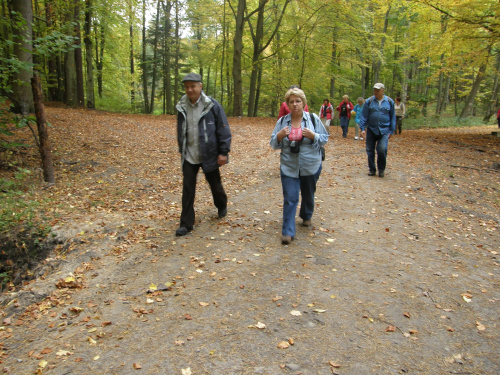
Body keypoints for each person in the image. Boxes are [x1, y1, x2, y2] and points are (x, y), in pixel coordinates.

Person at [175, 72, 232, 236]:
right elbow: (181, 129)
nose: (190, 90)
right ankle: (186, 224)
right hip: (189, 154)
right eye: (187, 87)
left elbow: (223, 129)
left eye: (193, 86)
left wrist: (223, 152)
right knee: (187, 189)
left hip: (209, 154)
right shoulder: (182, 105)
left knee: (215, 185)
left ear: (200, 86)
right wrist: (182, 147)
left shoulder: (212, 105)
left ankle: (221, 204)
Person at [270, 87, 328, 245]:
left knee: (308, 194)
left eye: (298, 101)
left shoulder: (313, 119)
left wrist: (313, 135)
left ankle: (307, 214)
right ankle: (288, 232)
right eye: (291, 101)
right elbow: (273, 143)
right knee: (290, 197)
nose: (295, 104)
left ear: (303, 103)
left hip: (310, 165)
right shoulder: (282, 121)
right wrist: (280, 136)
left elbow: (324, 138)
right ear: (287, 104)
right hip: (289, 165)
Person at [359, 83, 396, 178]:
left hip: (384, 130)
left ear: (383, 90)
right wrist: (363, 128)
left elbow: (392, 117)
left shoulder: (389, 101)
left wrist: (391, 130)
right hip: (371, 129)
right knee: (369, 150)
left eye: (378, 90)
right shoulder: (369, 101)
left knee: (382, 149)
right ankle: (372, 169)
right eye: (375, 90)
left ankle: (381, 169)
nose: (376, 92)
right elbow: (364, 115)